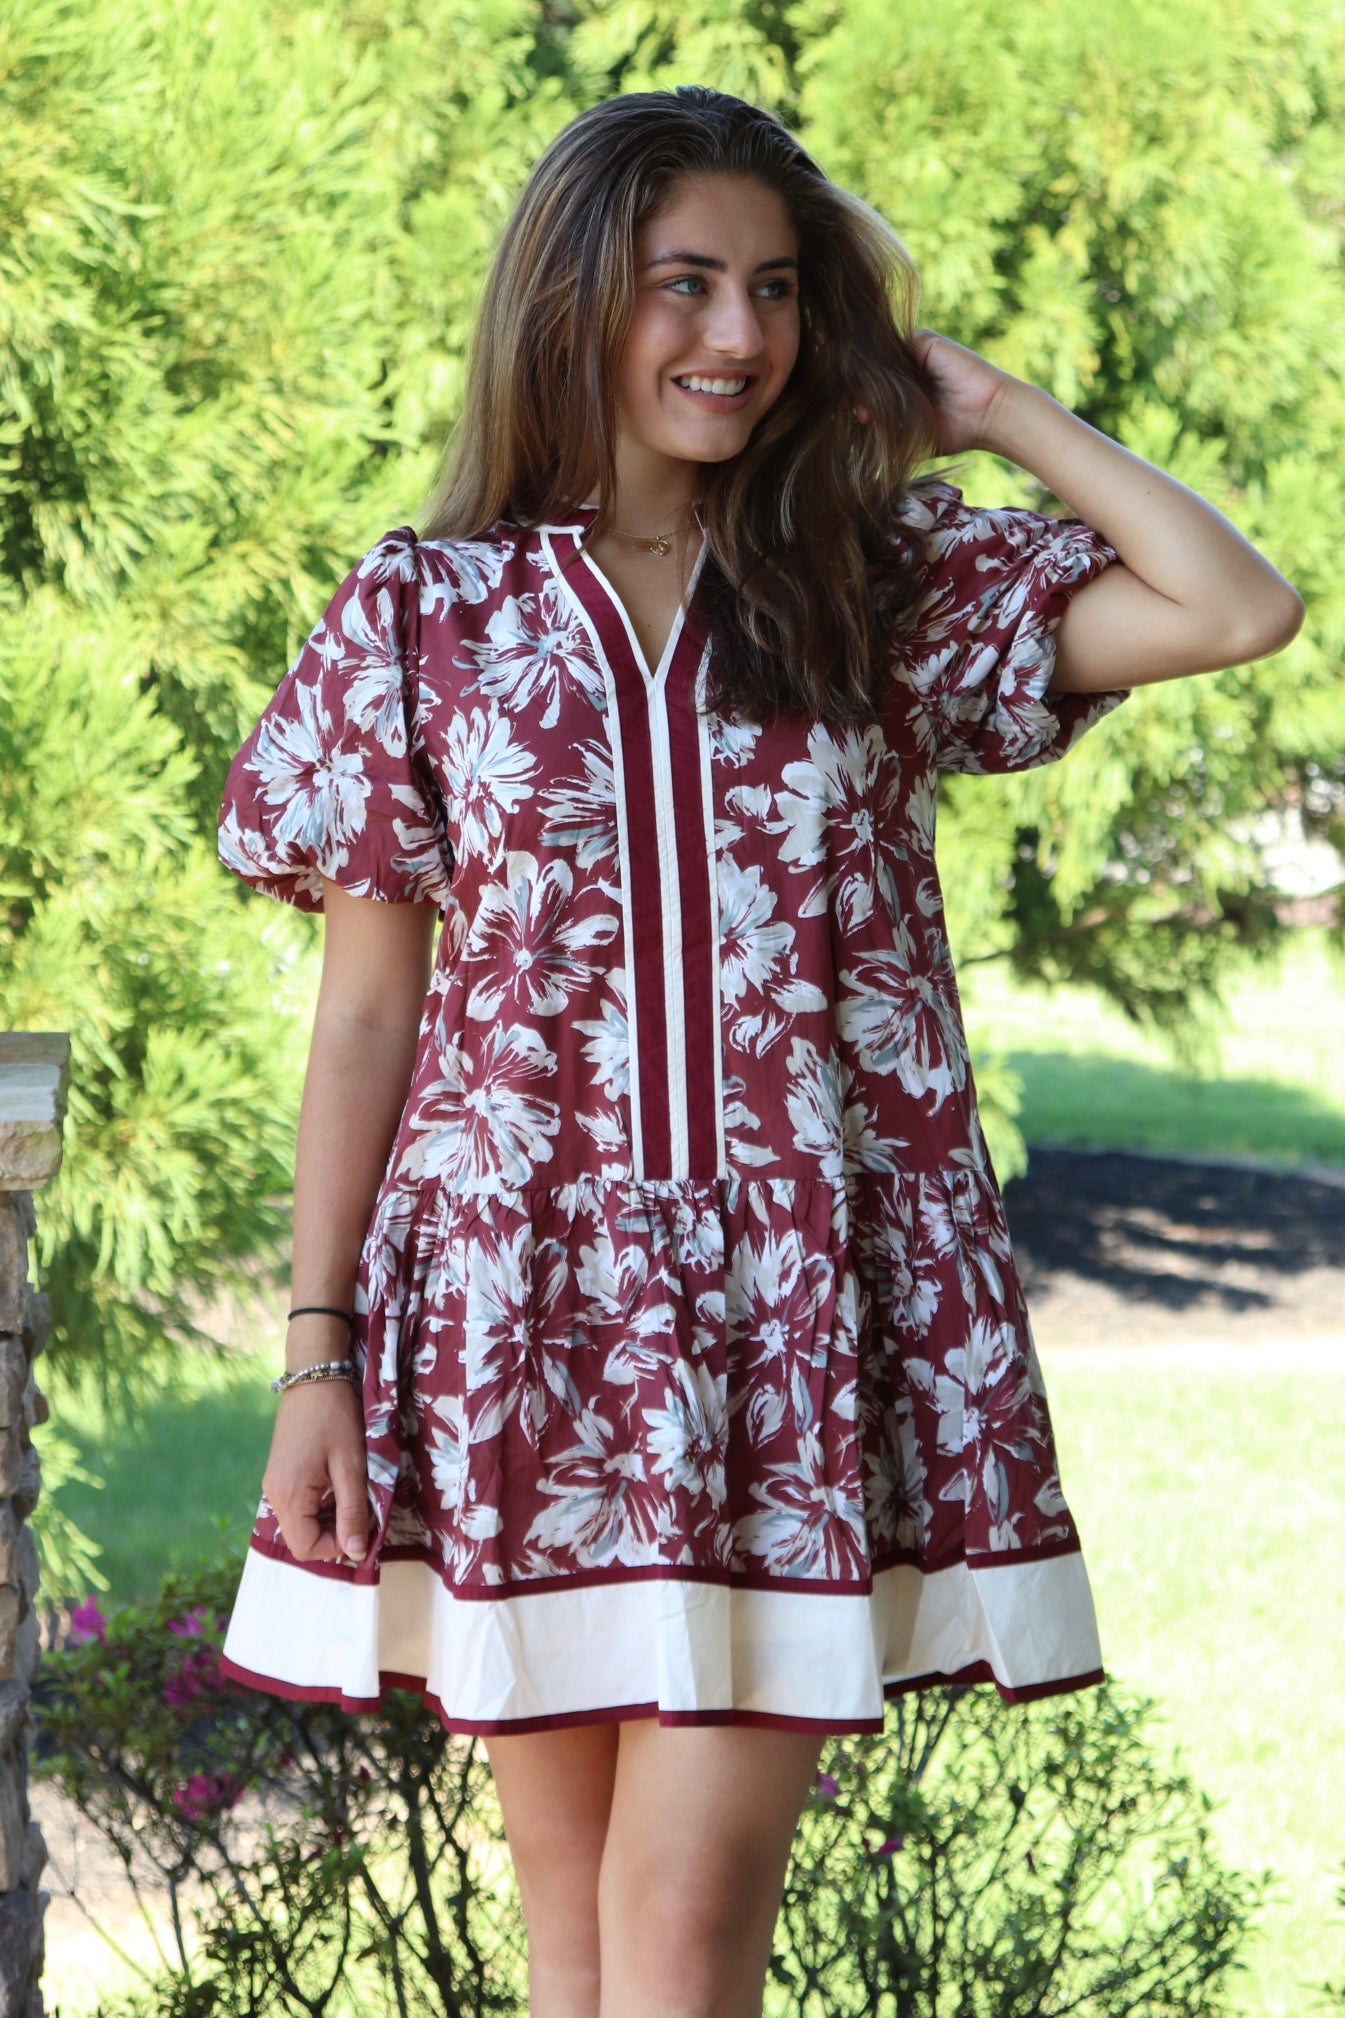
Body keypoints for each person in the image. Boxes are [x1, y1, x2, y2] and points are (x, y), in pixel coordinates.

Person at [214, 83, 1303, 2018]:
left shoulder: (865, 582)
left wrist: (981, 407)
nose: (737, 336)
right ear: (571, 304)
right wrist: (318, 1356)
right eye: (683, 284)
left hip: (791, 1325)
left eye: (779, 290)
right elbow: (369, 1010)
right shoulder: (421, 616)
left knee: (683, 1945)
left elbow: (1234, 605)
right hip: (513, 1319)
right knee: (580, 1959)